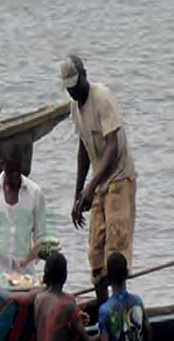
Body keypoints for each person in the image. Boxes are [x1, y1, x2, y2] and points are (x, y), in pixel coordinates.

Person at [61, 55, 137, 306]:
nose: (74, 92)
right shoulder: (75, 107)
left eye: (76, 85)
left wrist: (91, 187)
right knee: (96, 251)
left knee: (115, 250)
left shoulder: (101, 97)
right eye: (69, 88)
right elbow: (83, 151)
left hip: (118, 179)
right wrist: (78, 195)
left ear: (84, 76)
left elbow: (113, 148)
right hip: (99, 183)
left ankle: (120, 306)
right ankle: (105, 308)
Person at [0, 145, 59, 275]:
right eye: (11, 171)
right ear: (2, 164)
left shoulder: (35, 193)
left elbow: (40, 236)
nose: (15, 175)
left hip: (25, 273)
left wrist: (36, 253)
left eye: (18, 170)